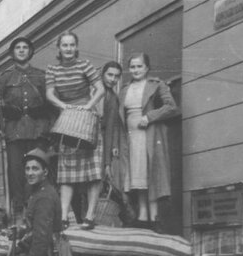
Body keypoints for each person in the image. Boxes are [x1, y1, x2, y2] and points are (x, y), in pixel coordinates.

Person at [0, 36, 50, 214]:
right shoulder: (4, 78)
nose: (21, 50)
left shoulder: (41, 76)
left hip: (38, 134)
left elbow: (52, 106)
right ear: (13, 53)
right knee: (16, 177)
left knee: (39, 174)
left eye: (25, 47)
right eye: (18, 48)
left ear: (30, 52)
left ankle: (40, 211)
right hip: (14, 135)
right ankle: (19, 215)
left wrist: (49, 130)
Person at [45, 31, 105, 229]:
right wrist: (63, 106)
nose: (68, 49)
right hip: (68, 119)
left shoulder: (84, 65)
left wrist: (89, 106)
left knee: (93, 169)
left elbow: (100, 88)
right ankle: (63, 216)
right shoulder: (53, 69)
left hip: (87, 118)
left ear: (76, 47)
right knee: (67, 170)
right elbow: (49, 94)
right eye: (64, 45)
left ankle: (89, 216)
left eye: (72, 45)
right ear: (59, 48)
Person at [118, 52, 179, 229]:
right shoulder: (124, 90)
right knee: (138, 177)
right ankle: (143, 216)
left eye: (139, 66)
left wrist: (150, 116)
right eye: (132, 67)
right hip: (130, 137)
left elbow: (171, 106)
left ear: (147, 68)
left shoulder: (156, 85)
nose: (136, 70)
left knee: (150, 173)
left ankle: (154, 217)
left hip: (149, 136)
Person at [100, 62, 129, 193]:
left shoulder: (112, 98)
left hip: (99, 143)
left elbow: (110, 130)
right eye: (110, 75)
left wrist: (107, 163)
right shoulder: (92, 90)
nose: (112, 79)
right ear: (102, 73)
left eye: (116, 76)